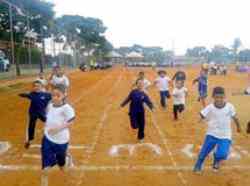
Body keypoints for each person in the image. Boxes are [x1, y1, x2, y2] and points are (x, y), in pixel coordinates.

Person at [193, 87, 241, 173]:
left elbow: (235, 118)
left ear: (224, 97)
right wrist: (198, 120)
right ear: (213, 97)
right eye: (217, 97)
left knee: (222, 154)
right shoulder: (210, 107)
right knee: (204, 152)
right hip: (212, 133)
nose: (219, 99)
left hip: (225, 135)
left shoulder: (230, 107)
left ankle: (216, 160)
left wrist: (238, 127)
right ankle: (198, 164)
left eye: (221, 97)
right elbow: (201, 115)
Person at [41, 84, 75, 185]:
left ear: (64, 95)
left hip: (61, 141)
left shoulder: (67, 108)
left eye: (58, 95)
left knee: (62, 167)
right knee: (45, 170)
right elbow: (49, 117)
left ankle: (67, 157)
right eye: (53, 95)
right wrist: (47, 127)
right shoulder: (50, 105)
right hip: (47, 139)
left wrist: (57, 129)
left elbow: (71, 122)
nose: (54, 97)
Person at [19, 80, 52, 149]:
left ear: (41, 87)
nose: (36, 87)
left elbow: (54, 97)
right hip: (33, 113)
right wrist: (21, 94)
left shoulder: (46, 95)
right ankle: (28, 141)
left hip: (42, 113)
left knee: (49, 122)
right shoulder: (31, 94)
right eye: (35, 86)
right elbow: (24, 95)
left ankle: (52, 137)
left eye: (38, 86)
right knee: (31, 126)